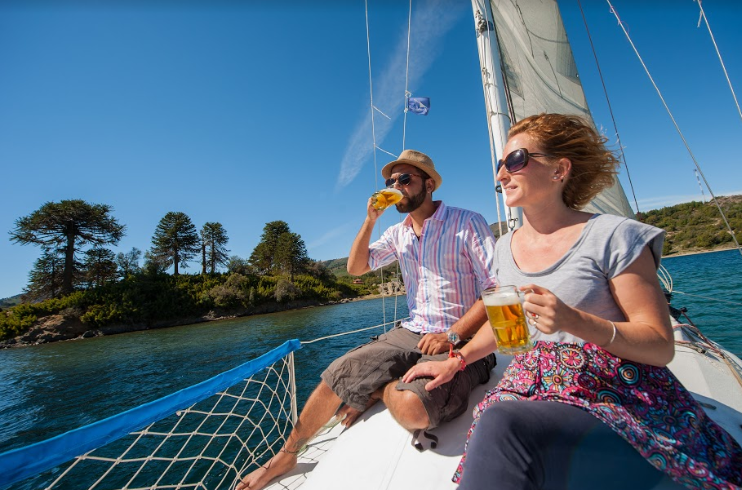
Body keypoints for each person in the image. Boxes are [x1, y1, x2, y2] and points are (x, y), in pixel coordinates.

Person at [402, 114, 742, 489]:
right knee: (498, 421)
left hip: (614, 391)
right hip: (530, 386)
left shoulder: (613, 236)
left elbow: (660, 346)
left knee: (501, 424)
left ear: (559, 169)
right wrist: (457, 360)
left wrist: (573, 320)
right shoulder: (503, 248)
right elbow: (506, 328)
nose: (501, 174)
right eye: (500, 165)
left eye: (515, 161)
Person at [236, 149, 498, 490]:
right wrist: (370, 220)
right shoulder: (397, 234)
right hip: (412, 331)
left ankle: (380, 389)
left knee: (412, 409)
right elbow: (356, 268)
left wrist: (453, 333)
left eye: (405, 179)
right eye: (391, 180)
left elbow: (495, 289)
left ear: (429, 184)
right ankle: (285, 454)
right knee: (338, 373)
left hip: (465, 339)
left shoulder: (468, 222)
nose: (396, 185)